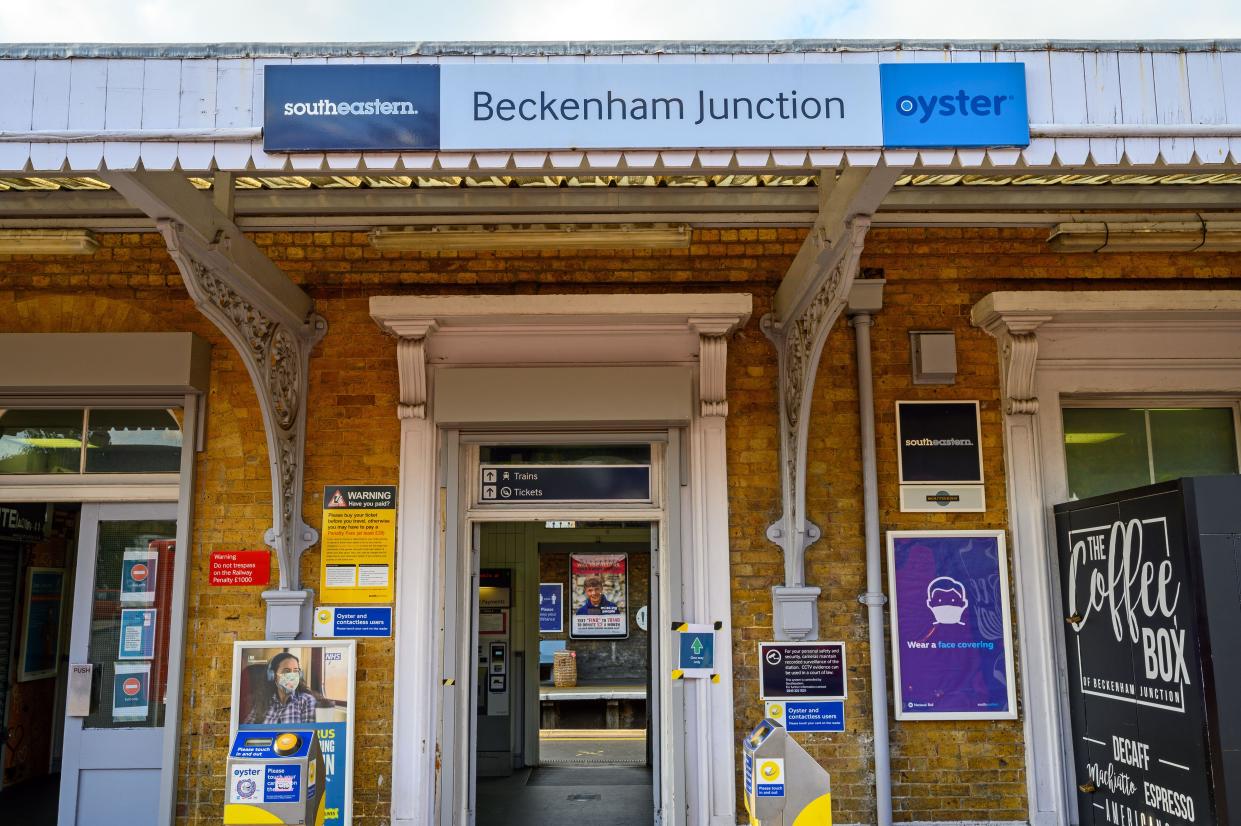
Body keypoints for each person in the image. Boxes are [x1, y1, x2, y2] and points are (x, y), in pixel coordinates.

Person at [243, 651, 317, 724]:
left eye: (295, 671)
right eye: (286, 671)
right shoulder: (264, 702)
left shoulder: (307, 701)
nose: (292, 676)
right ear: (273, 675)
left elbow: (309, 734)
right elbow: (246, 732)